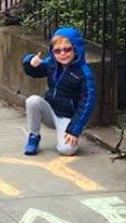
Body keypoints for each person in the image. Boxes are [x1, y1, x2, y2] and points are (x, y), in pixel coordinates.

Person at [21, 26, 96, 156]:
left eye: (67, 49)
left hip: (68, 117)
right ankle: (34, 136)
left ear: (76, 49)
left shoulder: (84, 73)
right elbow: (35, 71)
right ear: (52, 52)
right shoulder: (52, 63)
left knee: (66, 150)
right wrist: (30, 61)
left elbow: (87, 102)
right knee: (33, 101)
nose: (62, 54)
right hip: (51, 111)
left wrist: (74, 129)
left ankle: (67, 134)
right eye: (57, 51)